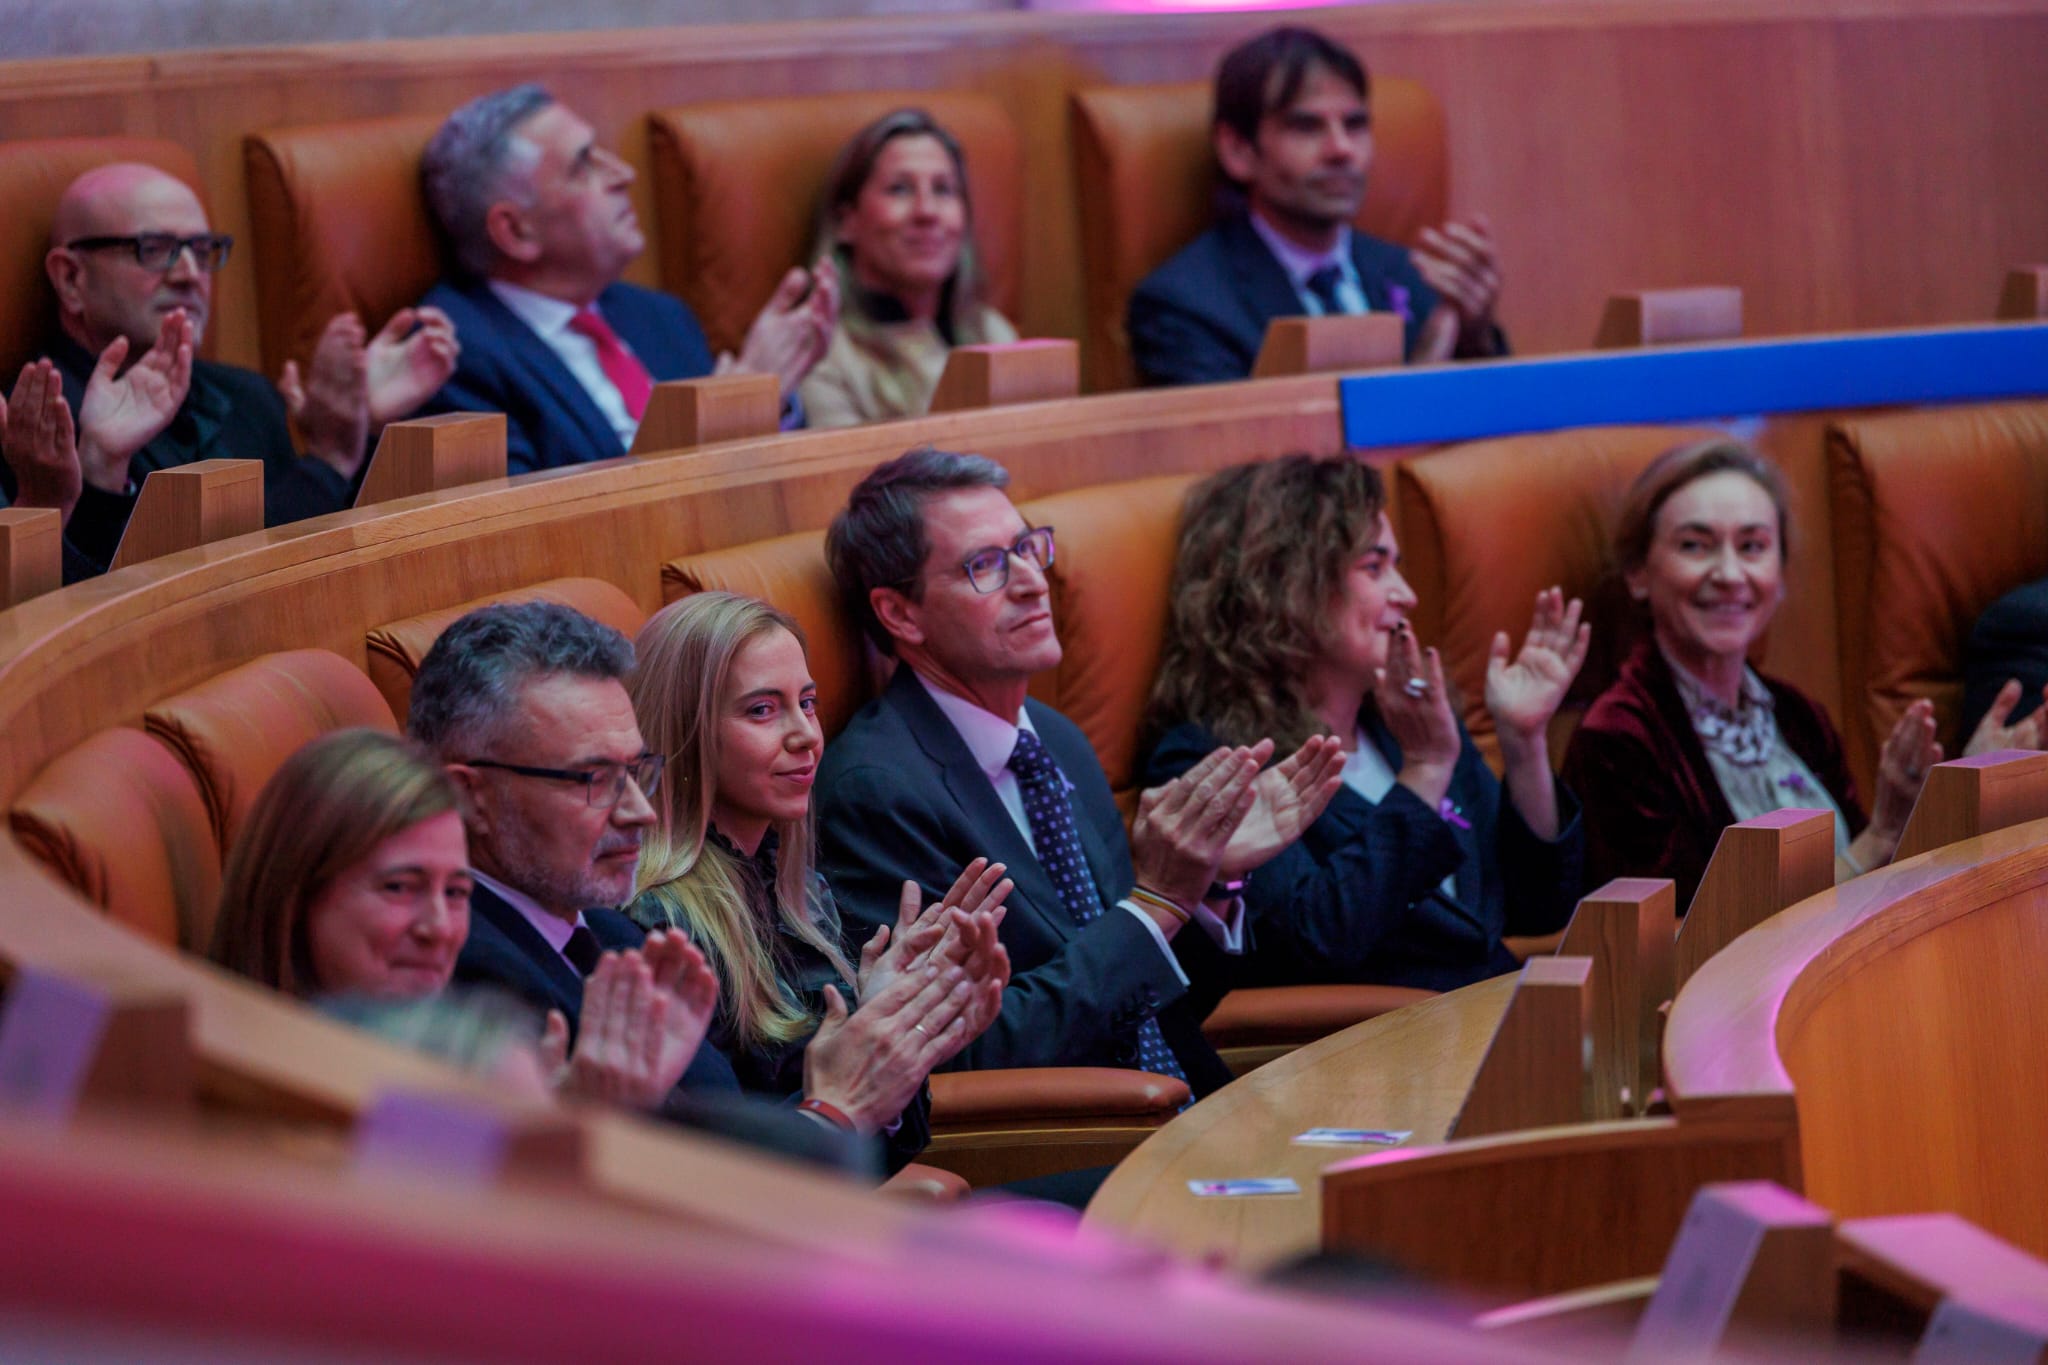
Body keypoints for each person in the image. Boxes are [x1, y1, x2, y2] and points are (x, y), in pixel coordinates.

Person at [816, 447, 1343, 1097]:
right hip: (1080, 1139)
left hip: (1194, 1100)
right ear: (901, 613)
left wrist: (1205, 889)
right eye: (985, 565)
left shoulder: (1055, 740)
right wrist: (1156, 903)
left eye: (1028, 548)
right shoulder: (878, 793)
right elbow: (963, 1052)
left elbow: (1152, 1000)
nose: (1033, 581)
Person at [1144, 455, 1586, 991]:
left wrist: (1523, 740)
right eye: (1374, 567)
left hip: (1498, 1019)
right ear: (1286, 583)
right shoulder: (1213, 759)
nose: (1407, 593)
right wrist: (1425, 773)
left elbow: (1539, 907)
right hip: (1381, 1049)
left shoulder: (1406, 723)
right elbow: (1317, 942)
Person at [1562, 438, 2044, 911]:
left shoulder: (1798, 716)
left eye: (1752, 546)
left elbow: (1871, 898)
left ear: (1780, 575)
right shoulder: (1616, 739)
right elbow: (1674, 949)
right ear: (1638, 573)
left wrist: (1962, 794)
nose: (1730, 573)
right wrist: (1878, 837)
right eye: (1695, 545)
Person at [625, 591, 1012, 1170]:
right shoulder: (663, 925)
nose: (805, 733)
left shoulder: (800, 890)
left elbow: (887, 1147)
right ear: (686, 734)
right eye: (762, 710)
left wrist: (889, 1017)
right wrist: (856, 1065)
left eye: (807, 703)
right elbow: (718, 1166)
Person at [208, 726, 719, 1112]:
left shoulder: (462, 1065)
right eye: (399, 888)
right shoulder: (254, 1097)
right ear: (298, 896)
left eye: (455, 893)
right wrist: (583, 1124)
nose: (440, 929)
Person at [0, 162, 458, 580]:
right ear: (70, 279)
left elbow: (320, 570)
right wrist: (330, 458)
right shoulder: (25, 429)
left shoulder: (248, 395)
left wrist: (361, 432)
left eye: (201, 250)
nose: (189, 274)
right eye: (154, 248)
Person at [402, 599, 740, 1098]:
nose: (639, 811)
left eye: (636, 771)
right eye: (593, 779)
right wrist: (831, 1113)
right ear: (469, 796)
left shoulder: (603, 924)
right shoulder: (467, 973)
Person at [416, 84, 839, 473]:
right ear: (515, 231)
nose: (623, 174)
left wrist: (772, 404)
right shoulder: (447, 355)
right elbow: (528, 536)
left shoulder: (660, 315)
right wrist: (732, 408)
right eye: (584, 166)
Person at [1127, 26, 1506, 388]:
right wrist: (1414, 390)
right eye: (1306, 127)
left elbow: (1504, 430)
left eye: (1355, 124)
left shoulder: (1419, 278)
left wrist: (1474, 340)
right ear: (1238, 151)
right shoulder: (1186, 305)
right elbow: (1239, 450)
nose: (1342, 149)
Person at [798, 109, 1018, 429]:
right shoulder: (822, 355)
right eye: (900, 189)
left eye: (943, 189)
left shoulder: (992, 332)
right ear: (847, 221)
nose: (927, 212)